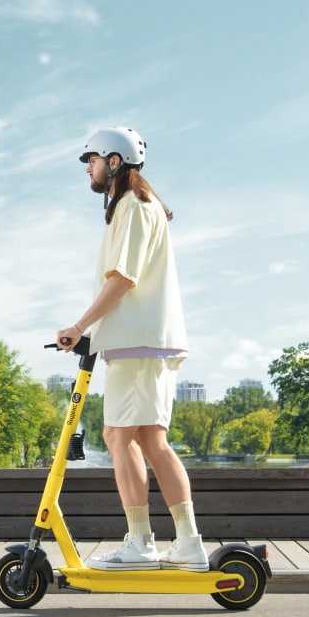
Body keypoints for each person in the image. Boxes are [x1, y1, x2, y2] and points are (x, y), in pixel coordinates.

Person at [56, 126, 209, 572]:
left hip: (140, 343)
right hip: (140, 341)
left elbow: (123, 278)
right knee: (145, 438)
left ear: (115, 161)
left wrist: (81, 324)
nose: (89, 167)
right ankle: (185, 544)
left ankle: (144, 544)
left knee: (124, 437)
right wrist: (91, 333)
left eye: (93, 159)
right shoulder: (139, 207)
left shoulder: (133, 206)